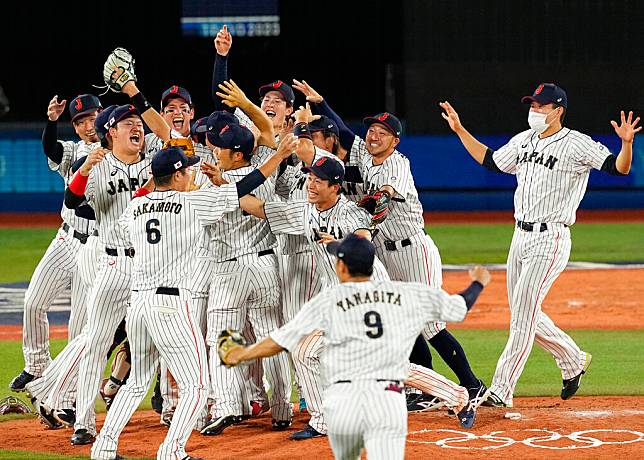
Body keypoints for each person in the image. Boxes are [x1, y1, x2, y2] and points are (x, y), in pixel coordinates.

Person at [439, 83, 641, 407]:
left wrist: (627, 144)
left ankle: (501, 390)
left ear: (558, 110)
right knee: (525, 313)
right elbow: (491, 160)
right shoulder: (524, 139)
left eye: (541, 106)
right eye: (532, 105)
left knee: (521, 319)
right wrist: (461, 130)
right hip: (519, 237)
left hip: (551, 238)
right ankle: (573, 359)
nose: (534, 110)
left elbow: (619, 168)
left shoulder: (577, 144)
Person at [291, 80, 489, 409]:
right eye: (371, 130)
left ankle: (472, 385)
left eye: (382, 132)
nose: (373, 136)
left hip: (412, 249)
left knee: (429, 323)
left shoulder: (397, 161)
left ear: (395, 140)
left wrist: (379, 198)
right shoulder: (362, 155)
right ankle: (424, 388)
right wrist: (321, 102)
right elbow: (341, 131)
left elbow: (386, 192)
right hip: (383, 250)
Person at [90, 143, 294, 460]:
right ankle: (172, 451)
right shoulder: (193, 204)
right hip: (172, 306)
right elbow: (245, 186)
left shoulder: (134, 208)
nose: (191, 172)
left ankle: (103, 448)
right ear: (178, 174)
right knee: (197, 386)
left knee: (136, 382)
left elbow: (131, 228)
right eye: (187, 168)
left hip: (139, 306)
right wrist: (279, 156)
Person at [217, 233, 491, 460]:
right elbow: (459, 306)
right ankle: (322, 420)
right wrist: (478, 282)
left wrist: (244, 353)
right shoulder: (399, 290)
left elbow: (280, 340)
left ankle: (458, 396)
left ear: (342, 268)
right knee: (305, 350)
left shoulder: (332, 299)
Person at [10, 94, 101, 392]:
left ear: (102, 116)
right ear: (73, 127)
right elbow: (51, 147)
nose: (87, 126)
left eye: (91, 118)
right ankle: (36, 367)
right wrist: (51, 121)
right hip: (66, 239)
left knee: (80, 325)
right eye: (80, 122)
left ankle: (70, 393)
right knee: (33, 301)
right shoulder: (73, 150)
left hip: (97, 248)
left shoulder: (119, 152)